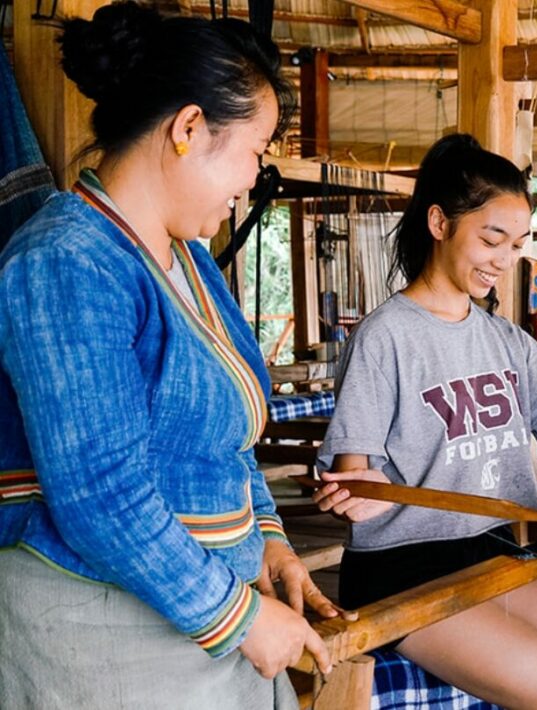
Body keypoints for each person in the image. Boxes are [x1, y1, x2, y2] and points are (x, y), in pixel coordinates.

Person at [0, 4, 339, 707]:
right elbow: (98, 491)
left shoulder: (186, 257)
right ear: (188, 129)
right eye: (254, 150)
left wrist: (269, 541)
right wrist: (236, 615)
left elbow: (223, 432)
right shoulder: (66, 262)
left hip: (201, 607)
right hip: (100, 627)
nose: (252, 179)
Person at [312, 133, 537, 710]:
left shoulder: (504, 339)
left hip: (493, 553)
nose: (505, 260)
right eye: (492, 239)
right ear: (439, 223)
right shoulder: (386, 336)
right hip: (404, 571)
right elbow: (354, 473)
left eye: (517, 244)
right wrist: (362, 495)